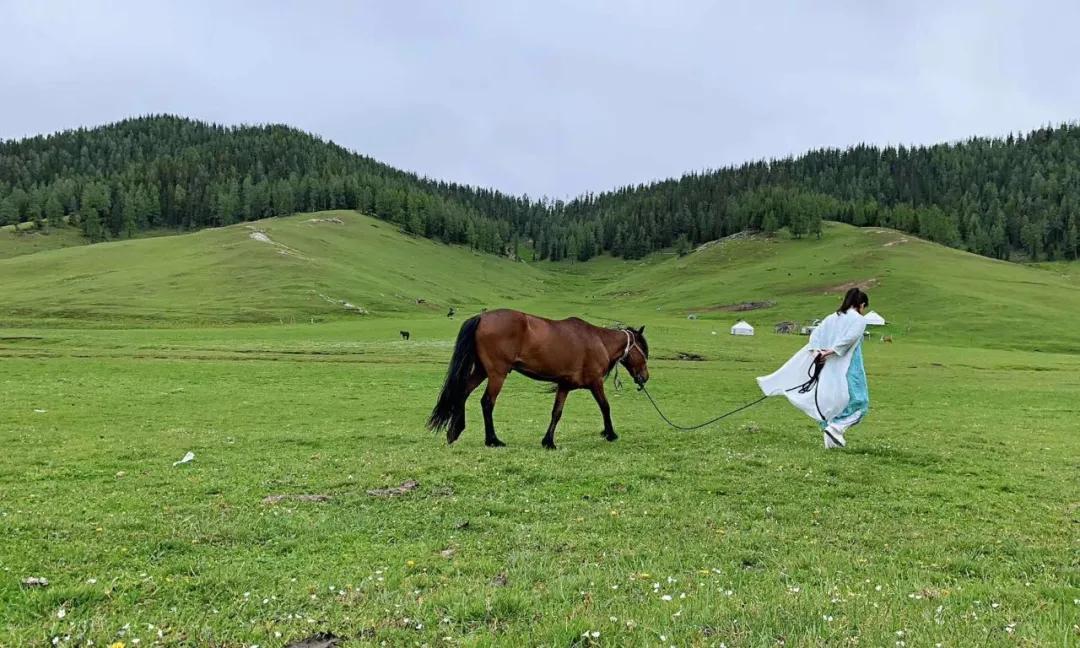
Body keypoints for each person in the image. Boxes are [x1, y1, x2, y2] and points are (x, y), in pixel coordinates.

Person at [757, 288, 871, 449]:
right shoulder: (859, 319)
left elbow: (815, 336)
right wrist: (831, 351)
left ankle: (832, 444)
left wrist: (818, 352)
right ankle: (837, 427)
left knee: (829, 401)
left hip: (826, 367)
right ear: (861, 304)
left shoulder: (831, 318)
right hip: (849, 366)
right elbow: (850, 338)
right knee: (859, 401)